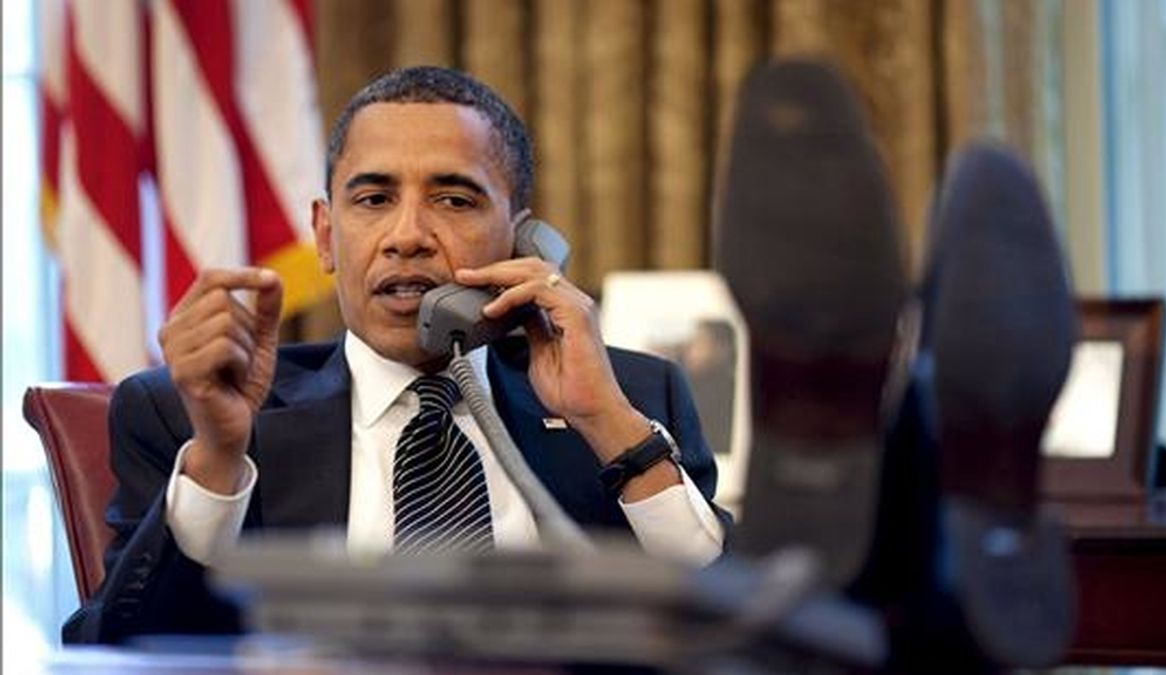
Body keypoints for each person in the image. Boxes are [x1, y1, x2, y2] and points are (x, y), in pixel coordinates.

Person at [64, 66, 728, 644]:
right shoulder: (191, 415)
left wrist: (608, 422)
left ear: (524, 240)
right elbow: (117, 650)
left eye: (453, 198)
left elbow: (746, 630)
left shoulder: (633, 399)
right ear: (326, 237)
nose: (406, 236)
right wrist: (215, 458)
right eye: (375, 199)